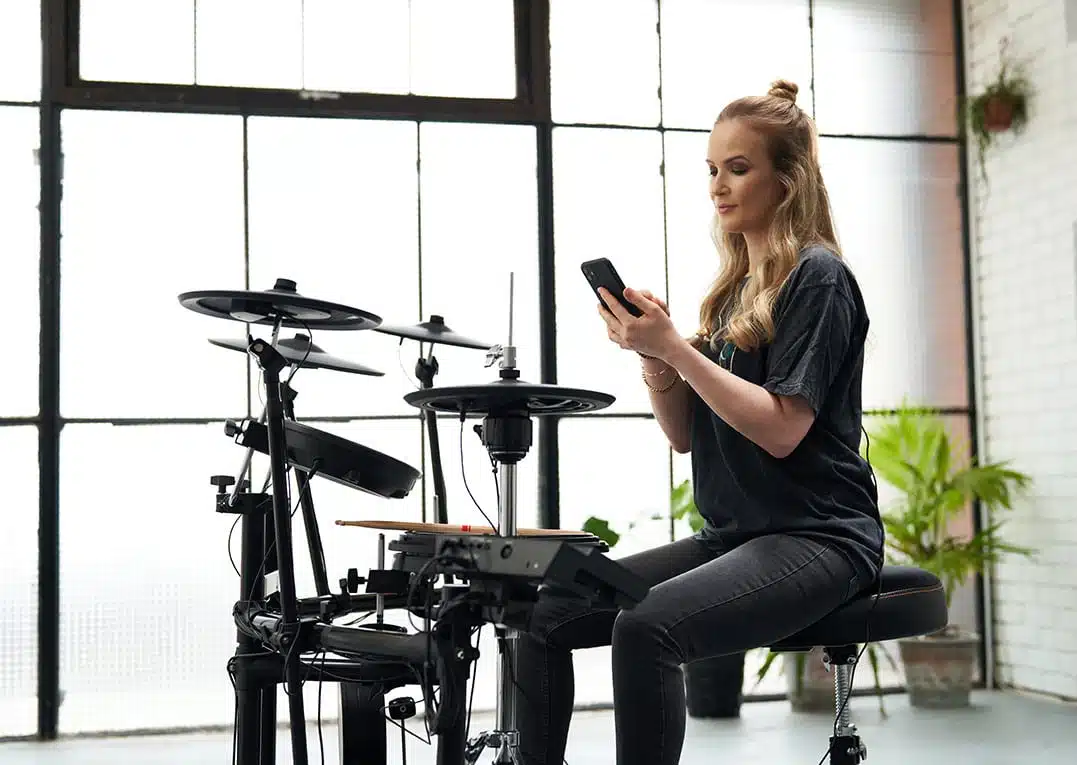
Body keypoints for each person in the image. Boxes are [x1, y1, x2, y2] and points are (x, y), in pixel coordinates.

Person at [513, 80, 885, 765]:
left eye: (737, 168)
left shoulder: (818, 277)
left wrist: (677, 350)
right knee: (549, 609)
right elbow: (685, 436)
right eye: (712, 169)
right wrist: (654, 356)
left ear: (787, 180)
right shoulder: (735, 287)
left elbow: (782, 429)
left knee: (646, 626)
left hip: (819, 535)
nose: (718, 185)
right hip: (733, 536)